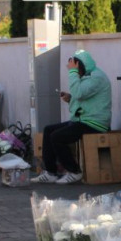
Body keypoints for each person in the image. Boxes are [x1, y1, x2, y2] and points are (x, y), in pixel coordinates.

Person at [32, 50, 111, 185]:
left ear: (81, 66)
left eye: (76, 69)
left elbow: (79, 93)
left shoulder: (97, 77)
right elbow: (82, 97)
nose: (75, 72)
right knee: (49, 130)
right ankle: (50, 172)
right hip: (83, 120)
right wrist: (70, 98)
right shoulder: (88, 75)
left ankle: (74, 171)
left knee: (57, 137)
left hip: (95, 123)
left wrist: (72, 73)